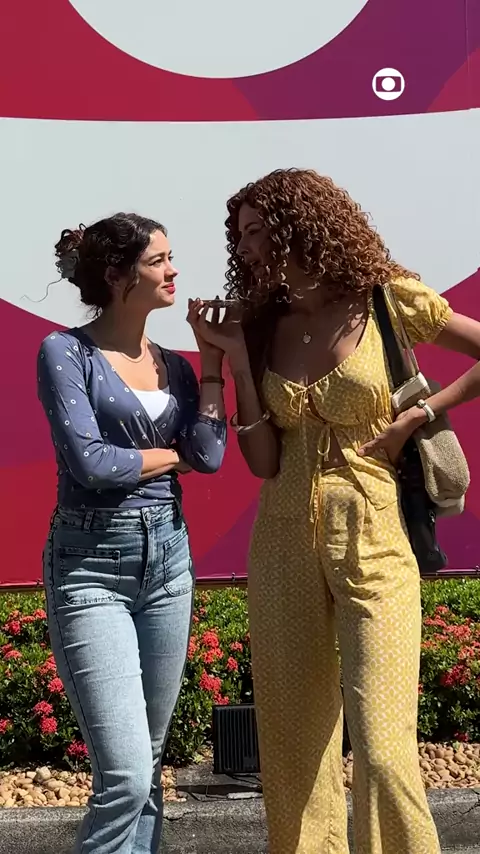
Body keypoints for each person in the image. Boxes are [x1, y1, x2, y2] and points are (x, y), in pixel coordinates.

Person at [188, 169, 480, 854]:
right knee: (292, 740)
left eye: (256, 230)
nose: (245, 246)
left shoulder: (386, 299)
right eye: (240, 234)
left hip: (375, 532)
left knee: (382, 744)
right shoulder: (261, 322)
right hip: (283, 535)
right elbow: (263, 461)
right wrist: (232, 362)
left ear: (300, 225)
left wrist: (420, 414)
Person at [37, 212, 226, 854]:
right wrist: (171, 455)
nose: (174, 271)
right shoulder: (66, 352)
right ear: (118, 276)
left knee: (148, 763)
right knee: (123, 774)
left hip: (168, 559)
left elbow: (210, 453)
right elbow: (92, 465)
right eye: (158, 261)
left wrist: (211, 364)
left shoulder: (175, 366)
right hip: (90, 563)